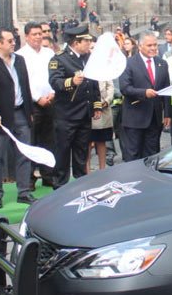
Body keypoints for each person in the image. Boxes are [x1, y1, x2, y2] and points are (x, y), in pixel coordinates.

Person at [0, 27, 35, 208]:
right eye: (10, 41)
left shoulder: (20, 60)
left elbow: (25, 87)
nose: (14, 44)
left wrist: (30, 113)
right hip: (1, 117)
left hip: (21, 113)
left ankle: (24, 192)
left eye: (14, 40)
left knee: (24, 153)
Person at [49, 26, 102, 185]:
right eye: (87, 41)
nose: (89, 43)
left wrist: (96, 105)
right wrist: (71, 82)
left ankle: (81, 184)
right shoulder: (59, 59)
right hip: (66, 115)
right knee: (63, 152)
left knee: (82, 152)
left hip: (84, 114)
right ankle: (60, 185)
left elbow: (93, 83)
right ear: (76, 42)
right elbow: (54, 82)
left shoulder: (87, 58)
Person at [16, 21, 57, 189]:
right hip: (32, 104)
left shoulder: (49, 53)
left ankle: (48, 174)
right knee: (31, 140)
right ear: (26, 37)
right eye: (34, 34)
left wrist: (53, 93)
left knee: (49, 139)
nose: (38, 37)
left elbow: (55, 74)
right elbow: (23, 81)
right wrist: (37, 98)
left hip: (51, 100)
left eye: (40, 34)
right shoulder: (21, 55)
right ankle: (30, 178)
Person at [120, 32, 171, 161]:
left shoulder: (162, 64)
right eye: (149, 45)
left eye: (155, 45)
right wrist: (144, 93)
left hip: (154, 118)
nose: (153, 48)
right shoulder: (129, 63)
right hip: (135, 117)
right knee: (133, 154)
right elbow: (125, 88)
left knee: (152, 155)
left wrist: (167, 114)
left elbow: (166, 90)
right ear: (140, 46)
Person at [88, 78, 115, 173]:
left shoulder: (104, 69)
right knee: (87, 142)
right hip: (87, 108)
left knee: (101, 140)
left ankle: (102, 170)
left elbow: (110, 87)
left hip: (103, 108)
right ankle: (87, 171)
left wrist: (107, 100)